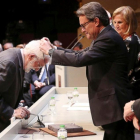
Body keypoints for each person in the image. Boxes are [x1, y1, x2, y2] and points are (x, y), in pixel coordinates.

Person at [39, 2, 134, 140]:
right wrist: (55, 49)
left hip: (114, 107)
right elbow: (81, 54)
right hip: (111, 107)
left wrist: (50, 51)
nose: (82, 30)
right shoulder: (103, 36)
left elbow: (80, 59)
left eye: (83, 25)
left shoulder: (108, 38)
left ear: (96, 21)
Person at [0, 39, 49, 132]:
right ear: (31, 56)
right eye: (38, 65)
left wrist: (17, 106)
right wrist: (12, 112)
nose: (37, 70)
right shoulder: (9, 63)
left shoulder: (19, 58)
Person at [112, 6, 140, 99]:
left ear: (129, 23)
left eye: (120, 22)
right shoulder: (124, 39)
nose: (116, 25)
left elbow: (128, 70)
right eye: (115, 22)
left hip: (131, 91)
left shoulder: (131, 41)